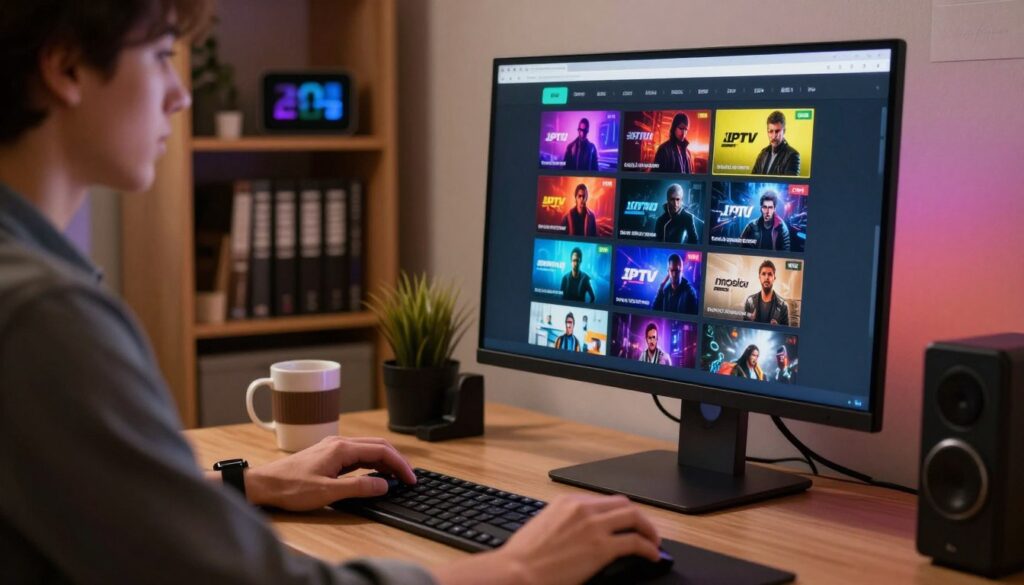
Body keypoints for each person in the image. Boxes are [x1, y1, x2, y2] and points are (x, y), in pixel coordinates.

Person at [0, 3, 662, 584]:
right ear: (66, 68)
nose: (180, 94)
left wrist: (247, 481)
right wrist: (519, 567)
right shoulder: (41, 317)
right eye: (158, 56)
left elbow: (93, 501)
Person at [751, 110, 800, 176]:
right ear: (767, 132)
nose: (774, 136)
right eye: (770, 131)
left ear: (784, 131)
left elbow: (790, 184)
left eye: (777, 131)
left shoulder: (793, 155)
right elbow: (752, 179)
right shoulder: (762, 154)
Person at [743, 260, 790, 326]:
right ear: (759, 277)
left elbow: (787, 331)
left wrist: (778, 327)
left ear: (774, 278)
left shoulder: (783, 305)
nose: (766, 277)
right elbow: (744, 326)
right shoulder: (750, 301)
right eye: (763, 274)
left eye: (770, 274)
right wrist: (751, 321)